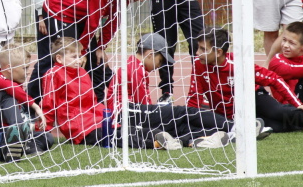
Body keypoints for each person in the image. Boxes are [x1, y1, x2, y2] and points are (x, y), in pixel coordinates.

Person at [106, 33, 269, 151]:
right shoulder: (135, 69)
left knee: (183, 124)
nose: (159, 65)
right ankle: (236, 127)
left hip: (133, 113)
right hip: (127, 112)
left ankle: (197, 139)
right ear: (150, 54)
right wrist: (163, 110)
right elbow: (144, 105)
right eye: (160, 60)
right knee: (185, 112)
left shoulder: (133, 67)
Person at [42, 0, 156, 102]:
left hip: (81, 17)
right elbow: (94, 20)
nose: (141, 0)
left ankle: (97, 104)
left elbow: (114, 20)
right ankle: (32, 105)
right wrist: (82, 52)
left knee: (96, 61)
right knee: (67, 58)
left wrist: (101, 47)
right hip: (60, 11)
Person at [187, 27, 303, 133]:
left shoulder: (239, 64)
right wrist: (189, 119)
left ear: (218, 52)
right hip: (231, 115)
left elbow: (274, 79)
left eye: (202, 49)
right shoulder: (198, 65)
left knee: (278, 112)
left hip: (255, 98)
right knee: (279, 127)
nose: (197, 53)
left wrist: (298, 104)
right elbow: (194, 95)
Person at [39, 37, 105, 146]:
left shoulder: (82, 72)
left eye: (79, 56)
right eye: (74, 57)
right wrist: (41, 134)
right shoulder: (53, 74)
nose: (79, 61)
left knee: (126, 127)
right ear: (59, 58)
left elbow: (92, 102)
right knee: (114, 136)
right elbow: (48, 105)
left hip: (96, 119)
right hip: (79, 127)